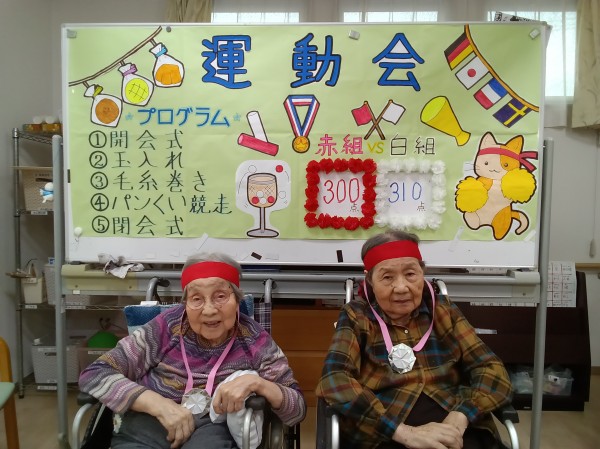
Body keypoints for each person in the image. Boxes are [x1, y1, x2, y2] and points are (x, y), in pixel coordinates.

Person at [79, 252, 306, 449]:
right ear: (185, 303)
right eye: (196, 299)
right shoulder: (166, 327)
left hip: (214, 427)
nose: (209, 310)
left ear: (237, 300)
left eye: (220, 296)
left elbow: (296, 410)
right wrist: (159, 405)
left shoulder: (254, 339)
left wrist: (259, 384)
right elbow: (95, 373)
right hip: (151, 419)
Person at [316, 231, 513, 449]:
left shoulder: (444, 312)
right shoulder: (357, 316)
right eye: (387, 277)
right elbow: (334, 379)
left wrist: (461, 416)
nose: (401, 287)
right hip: (386, 432)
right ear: (370, 280)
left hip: (455, 426)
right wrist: (404, 433)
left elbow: (490, 368)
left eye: (410, 274)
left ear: (422, 273)